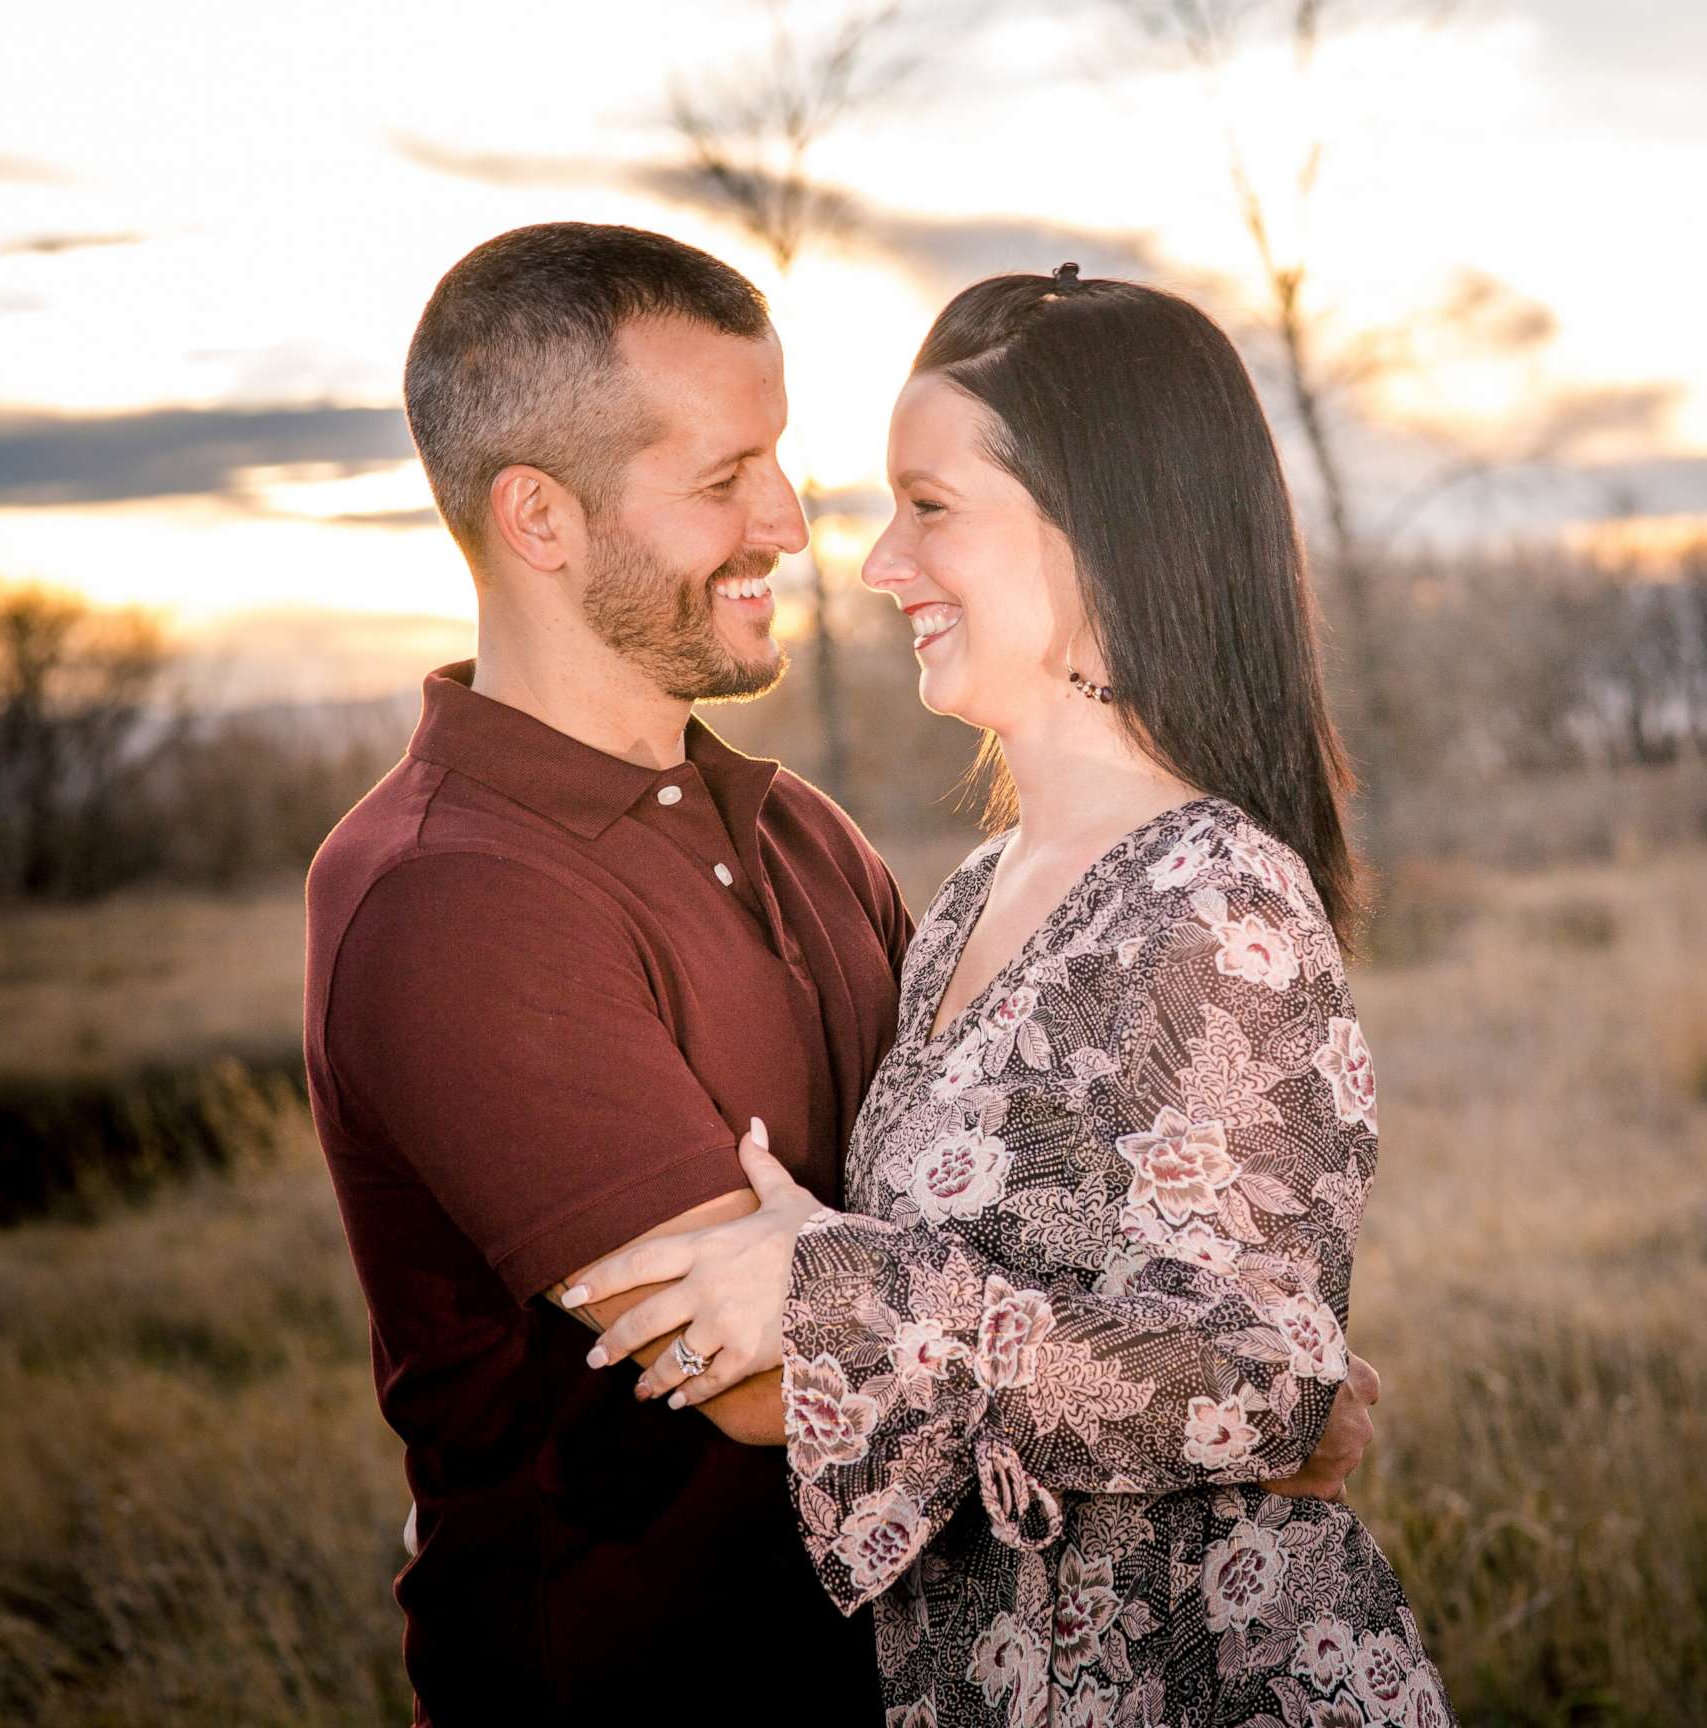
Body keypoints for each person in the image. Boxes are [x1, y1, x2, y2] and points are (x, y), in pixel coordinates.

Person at [303, 225, 1376, 1723]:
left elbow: (927, 1272)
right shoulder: (449, 894)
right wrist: (1187, 1397)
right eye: (723, 477)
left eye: (787, 464)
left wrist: (1209, 1388)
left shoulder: (802, 833)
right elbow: (750, 1365)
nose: (795, 528)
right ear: (539, 520)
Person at [566, 265, 1453, 1726]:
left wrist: (837, 1286)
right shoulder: (974, 895)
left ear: (1098, 529)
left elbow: (1266, 1380)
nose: (877, 565)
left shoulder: (1217, 900)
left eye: (932, 507)